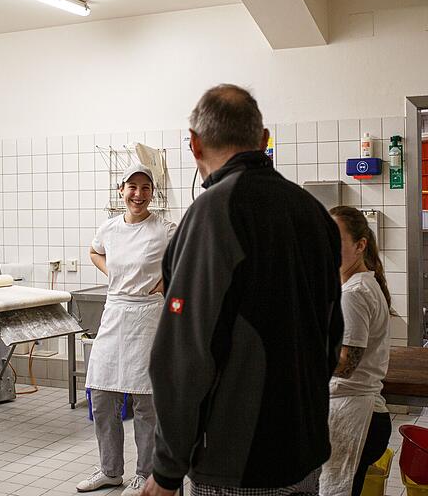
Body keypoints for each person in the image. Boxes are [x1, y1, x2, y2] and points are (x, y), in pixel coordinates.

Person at [141, 84, 344, 496]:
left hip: (238, 462)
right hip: (304, 451)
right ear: (264, 140)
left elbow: (184, 356)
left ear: (194, 144)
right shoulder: (312, 212)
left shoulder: (212, 214)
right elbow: (331, 332)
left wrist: (166, 471)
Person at [77, 163, 176, 496]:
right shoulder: (109, 228)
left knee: (145, 401)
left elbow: (186, 260)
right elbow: (94, 251)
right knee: (103, 395)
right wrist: (111, 274)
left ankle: (144, 473)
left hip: (148, 317)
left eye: (145, 188)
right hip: (115, 312)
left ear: (152, 193)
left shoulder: (164, 228)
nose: (138, 194)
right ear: (121, 191)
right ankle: (110, 469)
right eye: (132, 187)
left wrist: (166, 282)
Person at [320, 206, 392, 496]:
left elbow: (347, 363)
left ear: (360, 245)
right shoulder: (357, 285)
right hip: (356, 412)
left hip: (355, 417)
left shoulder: (354, 294)